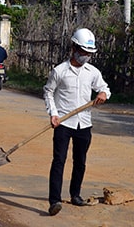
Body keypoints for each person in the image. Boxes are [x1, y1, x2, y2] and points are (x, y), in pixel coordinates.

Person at [43, 28, 111, 216]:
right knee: (59, 160)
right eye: (83, 52)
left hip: (84, 123)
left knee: (80, 161)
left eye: (89, 53)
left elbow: (104, 88)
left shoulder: (93, 72)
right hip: (63, 123)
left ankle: (75, 194)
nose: (86, 56)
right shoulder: (59, 71)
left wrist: (104, 93)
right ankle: (54, 200)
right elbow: (48, 92)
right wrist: (53, 114)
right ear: (73, 48)